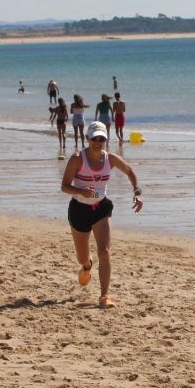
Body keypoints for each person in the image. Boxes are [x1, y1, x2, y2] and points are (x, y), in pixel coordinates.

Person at [62, 120, 144, 308]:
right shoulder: (77, 159)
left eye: (102, 138)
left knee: (104, 252)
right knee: (82, 257)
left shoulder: (110, 159)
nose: (98, 142)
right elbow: (64, 186)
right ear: (87, 138)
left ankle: (104, 296)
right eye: (94, 138)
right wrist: (81, 191)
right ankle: (86, 267)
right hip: (79, 209)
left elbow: (130, 171)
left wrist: (137, 193)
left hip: (101, 208)